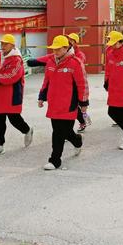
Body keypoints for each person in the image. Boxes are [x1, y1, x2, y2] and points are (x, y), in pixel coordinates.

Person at [38, 35, 88, 170]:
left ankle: (55, 160)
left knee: (61, 132)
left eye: (58, 49)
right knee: (59, 131)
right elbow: (46, 81)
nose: (55, 52)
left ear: (66, 48)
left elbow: (82, 84)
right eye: (54, 49)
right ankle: (77, 140)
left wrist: (84, 103)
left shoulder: (75, 63)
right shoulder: (50, 62)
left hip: (69, 104)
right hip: (54, 103)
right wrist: (42, 96)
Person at [0, 34, 33, 157]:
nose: (3, 46)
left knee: (14, 119)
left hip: (11, 93)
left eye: (5, 44)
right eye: (1, 43)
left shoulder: (17, 59)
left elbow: (11, 76)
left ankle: (27, 130)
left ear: (12, 45)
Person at [67, 32, 92, 132]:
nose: (69, 42)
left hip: (76, 84)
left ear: (75, 43)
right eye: (68, 39)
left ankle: (83, 119)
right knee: (72, 106)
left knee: (79, 106)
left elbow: (78, 68)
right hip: (67, 84)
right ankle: (81, 121)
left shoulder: (80, 55)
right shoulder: (64, 52)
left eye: (71, 40)